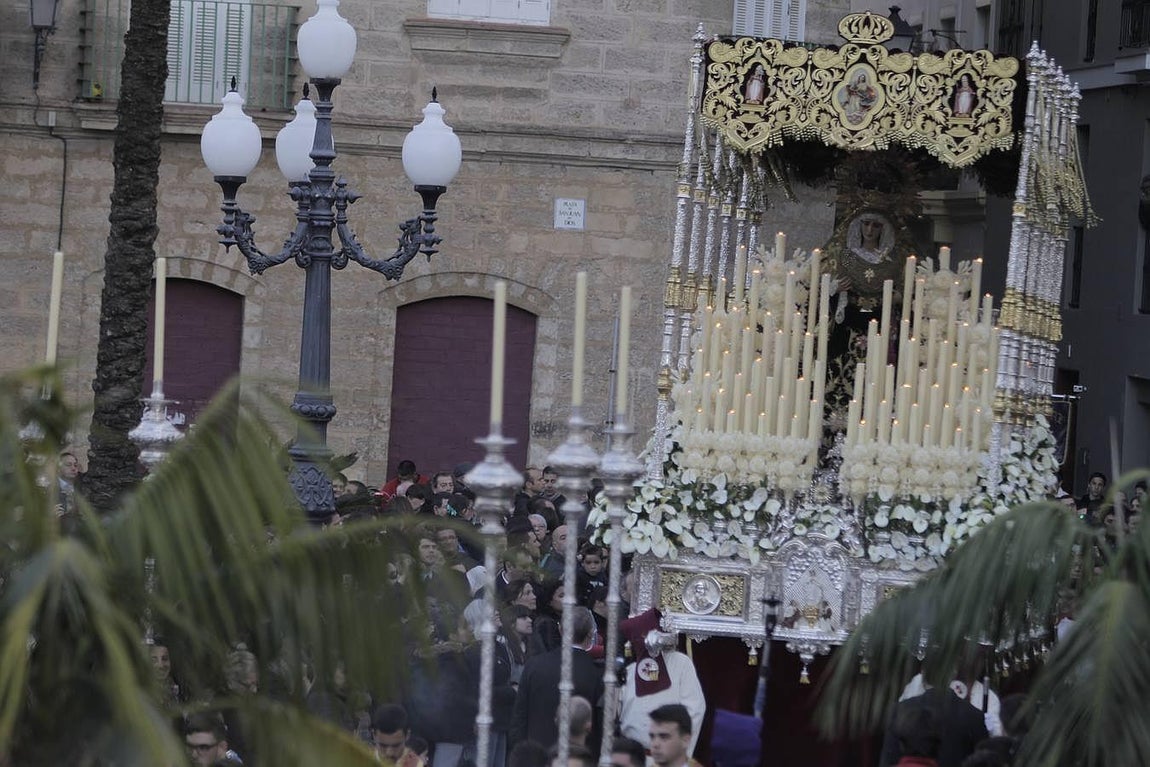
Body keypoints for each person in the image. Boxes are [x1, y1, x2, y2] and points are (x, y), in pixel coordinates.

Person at [509, 606, 604, 751]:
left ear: (560, 630)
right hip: (576, 756)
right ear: (591, 634)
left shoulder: (534, 665)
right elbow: (598, 725)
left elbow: (519, 716)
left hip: (536, 753)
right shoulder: (595, 673)